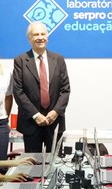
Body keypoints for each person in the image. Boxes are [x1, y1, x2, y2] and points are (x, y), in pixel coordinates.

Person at [12, 21, 70, 153]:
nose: (40, 37)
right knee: (33, 165)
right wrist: (35, 114)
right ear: (29, 38)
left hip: (54, 122)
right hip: (31, 123)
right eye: (35, 34)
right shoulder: (20, 60)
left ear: (47, 37)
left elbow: (65, 89)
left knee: (55, 166)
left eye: (43, 34)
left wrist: (55, 112)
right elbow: (18, 91)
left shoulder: (58, 59)